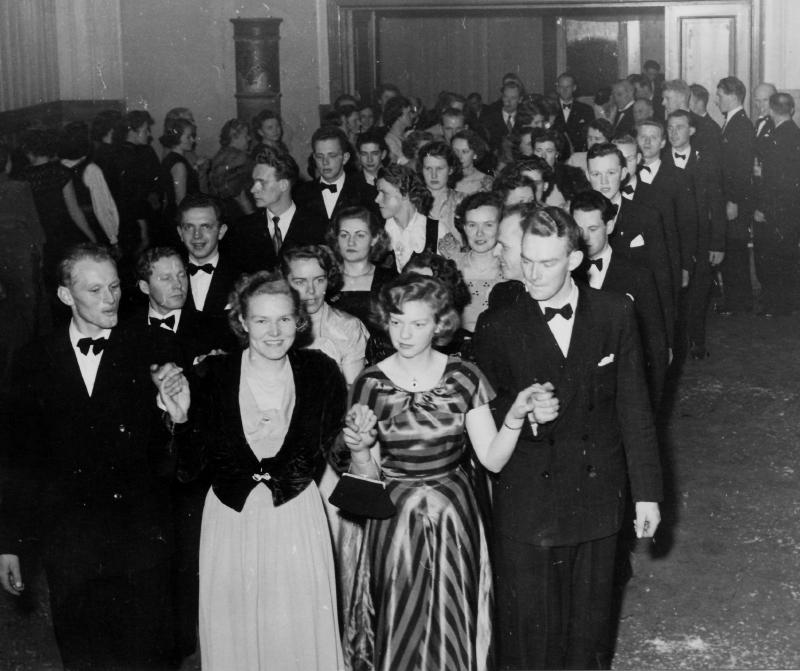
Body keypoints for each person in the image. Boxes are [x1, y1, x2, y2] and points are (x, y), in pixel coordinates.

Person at [473, 206, 663, 670]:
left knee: (588, 638)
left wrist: (647, 494)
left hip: (595, 498)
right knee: (531, 642)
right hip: (529, 505)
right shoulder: (497, 325)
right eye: (527, 260)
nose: (533, 274)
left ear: (574, 260)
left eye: (547, 263)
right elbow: (486, 413)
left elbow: (634, 408)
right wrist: (522, 414)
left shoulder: (615, 312)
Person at [341, 272, 553, 670]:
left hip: (454, 514)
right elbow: (365, 478)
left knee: (454, 615)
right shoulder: (369, 383)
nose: (405, 334)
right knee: (398, 618)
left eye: (418, 323)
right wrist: (359, 449)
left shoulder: (464, 376)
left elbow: (492, 460)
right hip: (393, 518)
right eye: (396, 321)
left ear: (439, 325)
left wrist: (514, 418)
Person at [0, 243, 190, 670]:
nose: (110, 299)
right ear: (65, 295)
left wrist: (176, 417)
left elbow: (179, 455)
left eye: (115, 287)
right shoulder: (34, 360)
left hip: (141, 539)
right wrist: (9, 542)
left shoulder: (155, 346)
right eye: (95, 290)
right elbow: (20, 459)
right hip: (71, 546)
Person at [182, 271, 346, 670]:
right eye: (261, 320)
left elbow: (336, 451)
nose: (274, 332)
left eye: (284, 319)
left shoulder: (321, 371)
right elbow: (187, 468)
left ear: (298, 320)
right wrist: (181, 419)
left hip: (295, 516)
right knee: (236, 627)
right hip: (231, 519)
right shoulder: (212, 374)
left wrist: (359, 441)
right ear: (242, 321)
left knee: (294, 627)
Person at [571, 191, 667, 408]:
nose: (584, 238)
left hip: (622, 396)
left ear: (610, 226)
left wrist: (650, 406)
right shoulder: (566, 277)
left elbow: (655, 347)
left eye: (593, 229)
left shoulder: (638, 277)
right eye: (578, 230)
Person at [587, 142, 674, 349]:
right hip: (591, 326)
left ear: (623, 173)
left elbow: (662, 281)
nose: (604, 182)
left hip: (635, 327)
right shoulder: (576, 219)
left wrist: (666, 341)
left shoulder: (647, 217)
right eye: (596, 174)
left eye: (611, 173)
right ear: (588, 175)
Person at [664, 110, 726, 359]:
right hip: (670, 240)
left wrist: (718, 243)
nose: (673, 133)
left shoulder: (706, 161)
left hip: (700, 239)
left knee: (699, 291)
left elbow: (717, 205)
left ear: (691, 131)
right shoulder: (659, 161)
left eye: (679, 127)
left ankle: (696, 340)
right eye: (670, 127)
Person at [752, 92, 800, 317]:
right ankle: (789, 303)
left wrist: (763, 208)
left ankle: (775, 305)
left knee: (773, 257)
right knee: (789, 256)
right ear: (792, 110)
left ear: (771, 110)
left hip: (774, 208)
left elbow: (773, 181)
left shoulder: (776, 139)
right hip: (792, 207)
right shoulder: (796, 134)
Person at [716, 76, 755, 315]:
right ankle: (736, 300)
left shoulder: (740, 125)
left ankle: (738, 303)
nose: (717, 99)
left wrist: (733, 200)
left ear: (732, 96)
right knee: (732, 249)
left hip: (735, 200)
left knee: (735, 252)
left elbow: (740, 168)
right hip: (731, 198)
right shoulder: (732, 122)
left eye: (720, 95)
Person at [294, 125, 380, 228]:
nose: (325, 162)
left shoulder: (366, 192)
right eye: (320, 156)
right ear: (314, 158)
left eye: (332, 156)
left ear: (345, 158)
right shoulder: (301, 194)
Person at [327, 205, 397, 328]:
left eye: (360, 235)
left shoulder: (390, 280)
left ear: (374, 239)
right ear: (336, 239)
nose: (351, 242)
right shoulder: (326, 280)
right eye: (344, 235)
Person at [447, 191, 504, 331]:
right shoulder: (451, 266)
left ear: (501, 226)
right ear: (464, 227)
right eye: (472, 225)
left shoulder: (509, 269)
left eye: (488, 225)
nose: (479, 233)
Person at [176, 194, 238, 322]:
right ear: (180, 233)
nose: (197, 235)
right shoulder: (168, 276)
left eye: (205, 226)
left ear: (221, 231)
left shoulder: (241, 276)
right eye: (189, 227)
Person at [58, 121, 120, 247]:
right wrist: (113, 238)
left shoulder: (58, 167)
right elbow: (103, 207)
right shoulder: (91, 169)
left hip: (64, 232)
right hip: (91, 230)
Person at [375, 163, 445, 270]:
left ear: (405, 194)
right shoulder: (377, 232)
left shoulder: (437, 230)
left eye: (384, 193)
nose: (377, 199)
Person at [159, 118, 200, 245]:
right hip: (179, 218)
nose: (192, 140)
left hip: (172, 215)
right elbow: (180, 200)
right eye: (188, 137)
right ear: (177, 138)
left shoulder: (170, 158)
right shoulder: (179, 164)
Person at [209, 118, 255, 221]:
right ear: (234, 137)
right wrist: (251, 213)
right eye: (246, 135)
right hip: (239, 212)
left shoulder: (220, 154)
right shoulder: (240, 157)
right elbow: (237, 193)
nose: (249, 138)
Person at [418, 140, 463, 241]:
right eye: (428, 168)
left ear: (450, 170)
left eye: (439, 168)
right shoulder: (412, 202)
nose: (433, 175)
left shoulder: (462, 201)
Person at [552, 72, 596, 152]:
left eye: (568, 87)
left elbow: (590, 135)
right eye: (561, 87)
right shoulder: (549, 108)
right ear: (557, 89)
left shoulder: (586, 110)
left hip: (578, 153)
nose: (564, 90)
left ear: (574, 88)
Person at [482, 80, 524, 151]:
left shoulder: (524, 119)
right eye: (505, 97)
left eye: (513, 98)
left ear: (520, 99)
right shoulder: (489, 119)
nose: (508, 101)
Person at [452, 129, 493, 195]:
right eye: (455, 151)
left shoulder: (485, 182)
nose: (459, 156)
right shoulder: (443, 178)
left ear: (475, 154)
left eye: (465, 152)